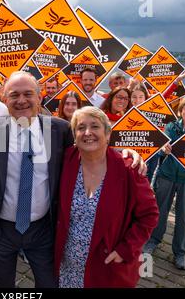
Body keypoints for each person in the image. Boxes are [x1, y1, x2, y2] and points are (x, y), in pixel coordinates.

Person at [0, 71, 146, 288]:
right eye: (14, 95)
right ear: (4, 97)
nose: (21, 101)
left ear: (39, 97)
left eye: (28, 94)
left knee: (49, 284)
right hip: (2, 230)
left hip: (43, 229)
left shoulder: (59, 129)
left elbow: (89, 147)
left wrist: (125, 152)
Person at [55, 106, 159, 288]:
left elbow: (149, 215)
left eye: (95, 126)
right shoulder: (66, 160)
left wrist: (125, 250)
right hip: (68, 265)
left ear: (108, 134)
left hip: (107, 266)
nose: (87, 132)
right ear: (74, 136)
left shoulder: (128, 168)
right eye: (80, 128)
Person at [143, 95, 185, 270]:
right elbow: (159, 151)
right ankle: (153, 241)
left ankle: (180, 253)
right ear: (181, 110)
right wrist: (163, 150)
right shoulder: (170, 126)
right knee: (159, 211)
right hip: (167, 175)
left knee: (184, 216)